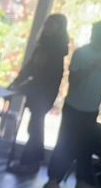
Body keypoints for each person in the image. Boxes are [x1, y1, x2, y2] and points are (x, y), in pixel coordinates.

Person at [43, 19, 101, 188]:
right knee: (66, 143)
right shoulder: (81, 53)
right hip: (74, 106)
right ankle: (53, 181)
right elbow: (73, 80)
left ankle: (83, 183)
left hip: (91, 107)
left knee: (86, 145)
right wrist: (92, 67)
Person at [9, 13, 69, 174]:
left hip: (44, 93)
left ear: (59, 29)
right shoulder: (43, 46)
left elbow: (46, 75)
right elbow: (30, 66)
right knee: (35, 127)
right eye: (47, 23)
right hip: (39, 92)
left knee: (35, 128)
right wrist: (17, 81)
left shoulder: (56, 50)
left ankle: (29, 163)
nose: (48, 27)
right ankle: (32, 162)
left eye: (52, 24)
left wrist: (24, 85)